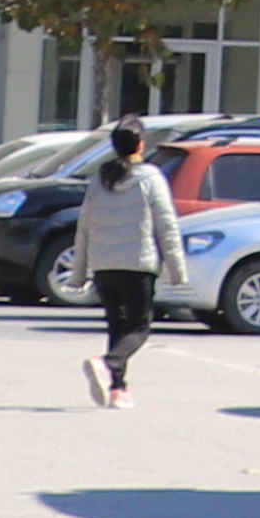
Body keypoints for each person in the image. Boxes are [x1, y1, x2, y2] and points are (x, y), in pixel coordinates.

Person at [82, 125, 193, 408]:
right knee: (140, 327)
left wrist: (79, 269)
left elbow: (84, 225)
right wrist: (178, 270)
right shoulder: (150, 178)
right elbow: (166, 226)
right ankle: (108, 364)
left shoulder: (100, 178)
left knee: (117, 327)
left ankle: (118, 388)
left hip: (104, 264)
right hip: (137, 264)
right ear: (140, 145)